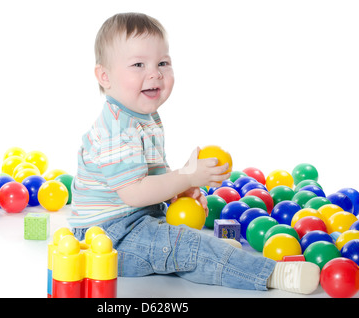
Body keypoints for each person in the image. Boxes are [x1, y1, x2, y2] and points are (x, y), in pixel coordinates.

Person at [69, 12, 320, 294]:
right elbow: (135, 193)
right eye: (138, 64)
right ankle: (275, 274)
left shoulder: (144, 116)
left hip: (136, 222)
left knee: (186, 242)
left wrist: (178, 190)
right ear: (105, 76)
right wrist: (186, 177)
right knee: (185, 246)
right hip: (108, 240)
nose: (155, 73)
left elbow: (150, 173)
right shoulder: (117, 128)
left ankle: (214, 256)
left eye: (163, 63)